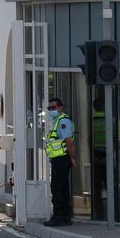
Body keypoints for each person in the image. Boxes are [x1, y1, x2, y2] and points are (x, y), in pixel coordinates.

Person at [44, 96, 77, 226]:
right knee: (61, 188)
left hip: (63, 158)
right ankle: (64, 216)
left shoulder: (63, 121)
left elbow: (69, 141)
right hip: (57, 159)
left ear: (60, 108)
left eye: (53, 107)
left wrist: (72, 158)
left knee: (58, 188)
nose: (51, 110)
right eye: (49, 108)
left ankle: (59, 216)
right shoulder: (56, 121)